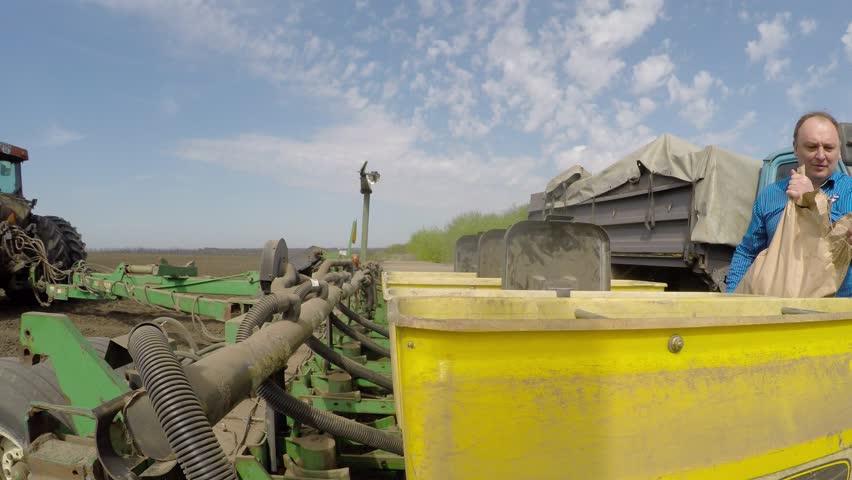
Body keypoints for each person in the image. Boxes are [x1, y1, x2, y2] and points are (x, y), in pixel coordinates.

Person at [726, 111, 852, 296]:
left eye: (828, 147)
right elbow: (747, 252)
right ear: (795, 148)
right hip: (779, 309)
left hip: (839, 310)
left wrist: (812, 199)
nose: (820, 155)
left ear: (839, 151)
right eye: (811, 147)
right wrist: (731, 296)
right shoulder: (770, 195)